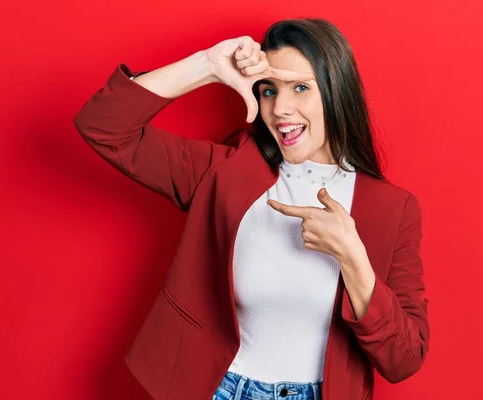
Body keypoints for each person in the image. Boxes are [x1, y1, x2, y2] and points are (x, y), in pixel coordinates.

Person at [74, 18, 429, 400]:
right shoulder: (225, 172)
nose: (281, 109)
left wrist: (353, 259)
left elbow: (404, 359)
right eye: (269, 90)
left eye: (301, 88)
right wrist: (206, 65)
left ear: (337, 92)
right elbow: (103, 126)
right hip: (221, 390)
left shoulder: (393, 209)